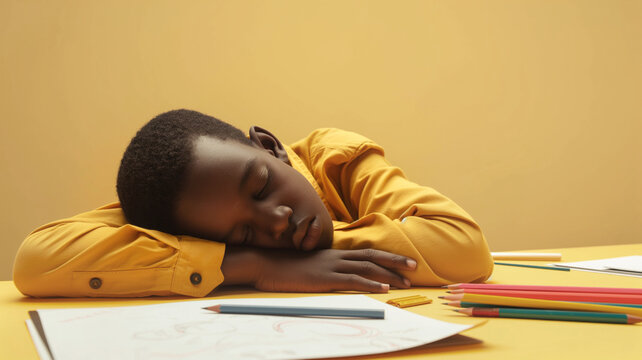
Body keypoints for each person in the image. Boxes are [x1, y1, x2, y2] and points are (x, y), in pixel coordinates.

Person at [13, 109, 493, 297]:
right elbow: (36, 262)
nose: (278, 221)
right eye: (242, 234)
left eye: (262, 185)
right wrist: (256, 266)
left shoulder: (335, 159)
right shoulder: (175, 212)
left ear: (269, 147)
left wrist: (303, 259)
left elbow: (466, 250)